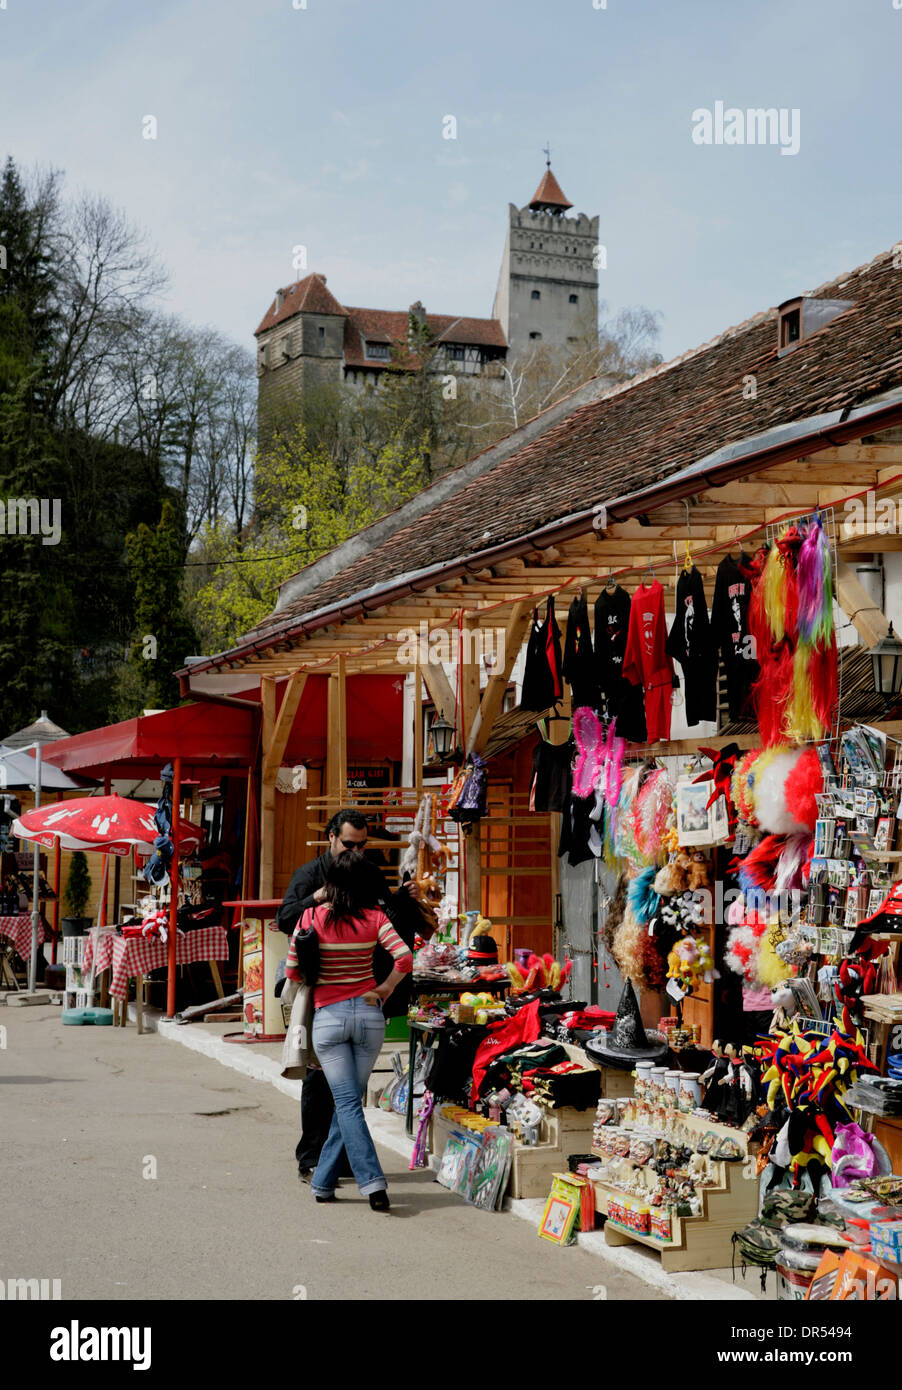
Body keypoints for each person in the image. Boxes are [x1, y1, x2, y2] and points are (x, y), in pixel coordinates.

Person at [276, 809, 420, 1180]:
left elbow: (385, 917)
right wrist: (315, 899)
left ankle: (337, 1163)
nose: (355, 850)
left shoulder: (366, 872)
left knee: (350, 1093)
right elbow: (287, 918)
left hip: (363, 994)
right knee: (318, 1080)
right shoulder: (309, 875)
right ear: (331, 838)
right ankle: (313, 1159)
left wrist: (405, 898)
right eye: (348, 843)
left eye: (361, 844)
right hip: (320, 996)